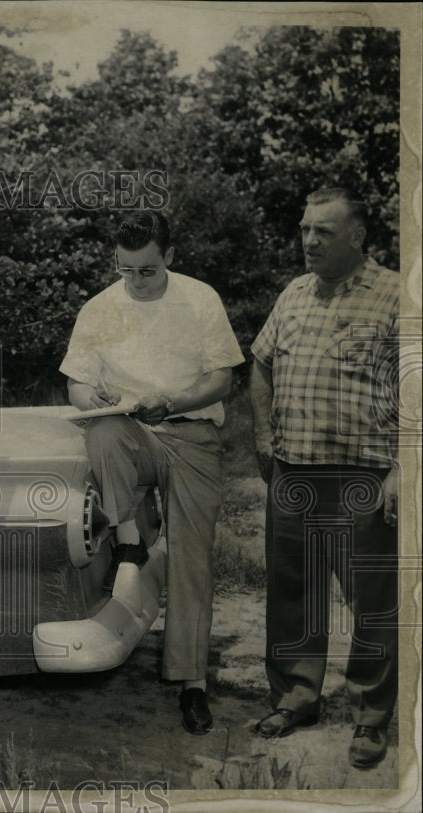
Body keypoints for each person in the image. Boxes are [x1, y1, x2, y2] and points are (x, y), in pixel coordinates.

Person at [60, 209, 244, 735]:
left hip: (191, 433)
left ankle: (191, 683)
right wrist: (89, 394)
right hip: (132, 434)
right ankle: (129, 539)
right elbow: (75, 385)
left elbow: (222, 379)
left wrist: (173, 400)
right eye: (125, 271)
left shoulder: (200, 298)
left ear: (169, 257)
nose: (135, 281)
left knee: (191, 558)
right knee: (101, 431)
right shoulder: (99, 309)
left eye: (146, 270)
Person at [250, 187, 399, 769]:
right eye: (305, 229)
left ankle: (370, 717)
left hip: (366, 471)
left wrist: (403, 469)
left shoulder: (396, 297)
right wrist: (263, 438)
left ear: (357, 237)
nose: (309, 241)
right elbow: (260, 362)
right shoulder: (292, 293)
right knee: (294, 591)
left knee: (373, 599)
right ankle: (295, 697)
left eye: (324, 232)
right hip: (295, 469)